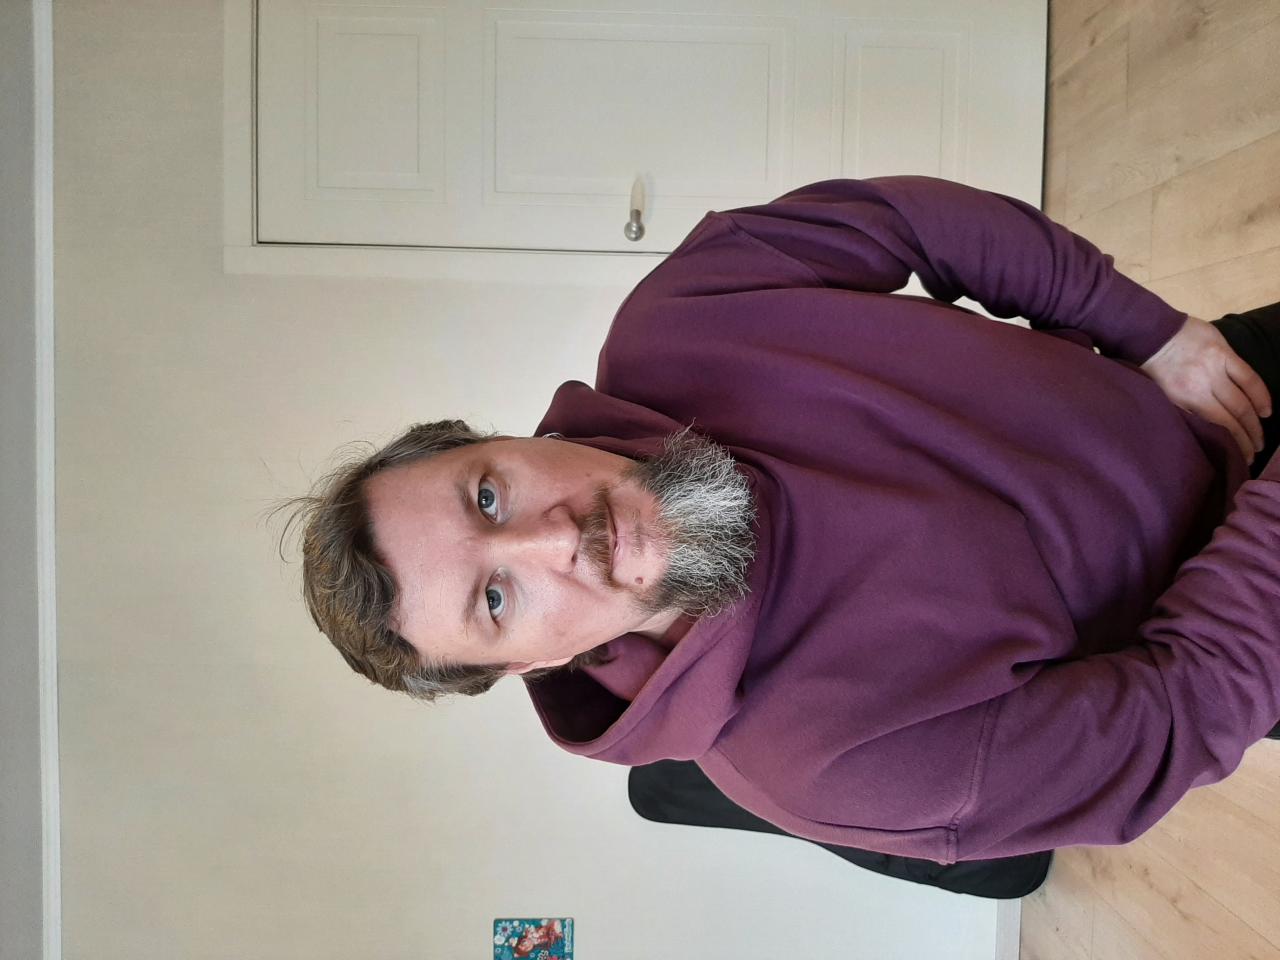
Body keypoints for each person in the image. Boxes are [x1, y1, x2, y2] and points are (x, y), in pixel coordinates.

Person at [278, 176, 1280, 864]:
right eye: (495, 598)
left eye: (487, 496)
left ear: (498, 441)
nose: (555, 537)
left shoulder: (678, 318)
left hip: (1215, 383)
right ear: (528, 668)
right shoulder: (835, 770)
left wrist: (1149, 330)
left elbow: (910, 222)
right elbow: (1181, 711)